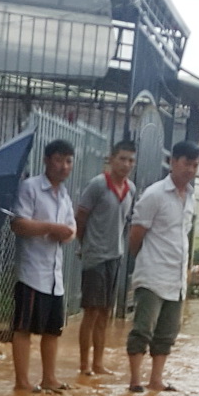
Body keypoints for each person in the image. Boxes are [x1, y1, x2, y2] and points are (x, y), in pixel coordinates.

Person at [126, 140, 199, 393]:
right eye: (186, 163)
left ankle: (156, 379)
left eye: (195, 165)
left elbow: (184, 237)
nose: (190, 170)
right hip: (153, 273)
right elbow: (136, 234)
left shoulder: (190, 197)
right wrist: (143, 260)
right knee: (143, 328)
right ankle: (135, 380)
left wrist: (186, 271)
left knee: (168, 332)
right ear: (173, 162)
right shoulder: (155, 194)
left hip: (176, 276)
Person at [8, 139, 76, 393]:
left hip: (55, 275)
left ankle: (49, 378)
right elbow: (18, 223)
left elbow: (71, 230)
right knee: (24, 327)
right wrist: (49, 228)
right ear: (47, 160)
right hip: (32, 272)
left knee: (52, 331)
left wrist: (66, 234)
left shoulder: (65, 196)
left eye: (68, 161)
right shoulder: (31, 188)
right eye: (59, 160)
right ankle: (22, 381)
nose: (63, 166)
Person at [74, 140, 137, 376]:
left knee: (106, 312)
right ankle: (84, 365)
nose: (126, 164)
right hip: (95, 256)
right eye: (122, 158)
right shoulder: (98, 185)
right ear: (111, 159)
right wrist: (85, 245)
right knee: (91, 311)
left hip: (115, 255)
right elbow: (80, 217)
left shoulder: (130, 189)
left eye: (131, 160)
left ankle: (98, 364)